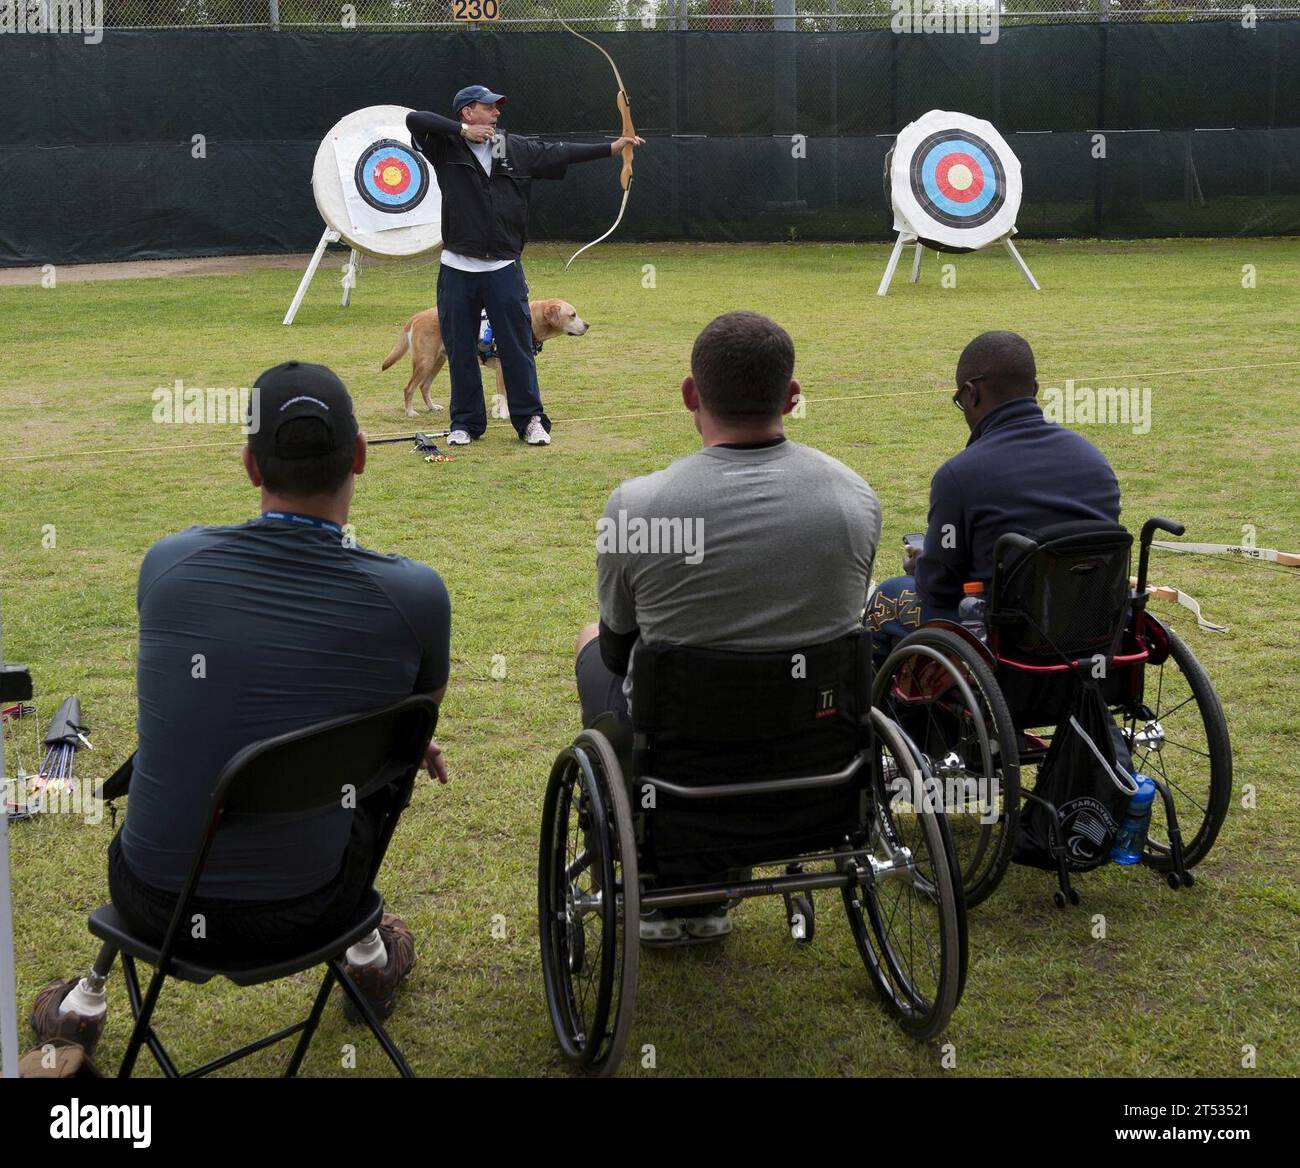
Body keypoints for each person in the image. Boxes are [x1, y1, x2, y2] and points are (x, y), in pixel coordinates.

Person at [31, 362, 451, 1050]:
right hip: (313, 910)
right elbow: (414, 731)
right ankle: (370, 958)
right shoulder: (416, 597)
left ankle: (82, 1004)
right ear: (362, 455)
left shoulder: (166, 567)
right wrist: (387, 740)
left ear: (251, 465)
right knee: (383, 780)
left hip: (152, 903)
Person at [575, 311, 881, 943]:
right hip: (819, 757)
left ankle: (654, 865)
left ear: (691, 393)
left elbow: (615, 646)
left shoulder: (639, 506)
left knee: (588, 645)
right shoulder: (854, 496)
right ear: (791, 398)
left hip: (685, 768)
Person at [407, 85, 644, 448]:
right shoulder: (446, 146)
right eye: (488, 108)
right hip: (458, 268)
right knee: (459, 348)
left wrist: (615, 147)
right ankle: (466, 424)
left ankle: (530, 419)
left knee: (518, 347)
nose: (497, 113)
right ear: (467, 112)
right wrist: (461, 133)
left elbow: (559, 152)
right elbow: (414, 118)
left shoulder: (508, 147)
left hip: (503, 267)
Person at [866, 330, 1121, 655]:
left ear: (971, 394)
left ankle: (887, 704)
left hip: (1002, 643)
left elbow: (938, 589)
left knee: (887, 596)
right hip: (1088, 631)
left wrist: (923, 564)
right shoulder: (1095, 460)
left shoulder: (959, 476)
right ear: (1034, 390)